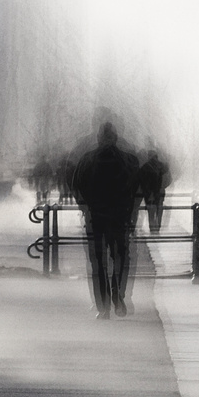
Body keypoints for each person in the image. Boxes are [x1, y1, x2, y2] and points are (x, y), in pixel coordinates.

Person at [71, 122, 141, 319]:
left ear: (98, 138)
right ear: (116, 138)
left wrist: (86, 208)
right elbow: (135, 191)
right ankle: (118, 293)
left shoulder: (87, 160)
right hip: (119, 217)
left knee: (98, 263)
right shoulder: (129, 161)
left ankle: (103, 307)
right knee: (120, 258)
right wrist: (130, 214)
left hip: (96, 217)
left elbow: (77, 188)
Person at [138, 147, 171, 233]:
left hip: (149, 193)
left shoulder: (145, 167)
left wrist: (145, 190)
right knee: (159, 209)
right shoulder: (163, 166)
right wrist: (162, 187)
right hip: (160, 192)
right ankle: (158, 227)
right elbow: (168, 179)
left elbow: (141, 180)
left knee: (150, 211)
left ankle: (152, 228)